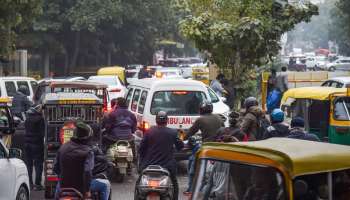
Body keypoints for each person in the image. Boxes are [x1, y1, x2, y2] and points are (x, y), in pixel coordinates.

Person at [54, 122, 111, 200]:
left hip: (64, 186)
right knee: (106, 185)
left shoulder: (63, 148)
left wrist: (64, 179)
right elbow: (87, 173)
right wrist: (87, 191)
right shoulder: (88, 152)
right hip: (81, 188)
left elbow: (56, 169)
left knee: (58, 189)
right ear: (88, 137)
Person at [138, 111, 184, 200]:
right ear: (167, 121)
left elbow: (141, 149)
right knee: (174, 183)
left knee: (139, 183)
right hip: (167, 166)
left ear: (156, 120)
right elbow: (180, 146)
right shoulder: (173, 132)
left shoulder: (149, 132)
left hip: (148, 165)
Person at [24, 105, 45, 190]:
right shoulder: (40, 119)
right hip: (37, 144)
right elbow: (42, 133)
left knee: (29, 165)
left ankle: (30, 183)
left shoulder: (27, 118)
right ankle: (38, 184)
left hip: (27, 144)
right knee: (38, 164)